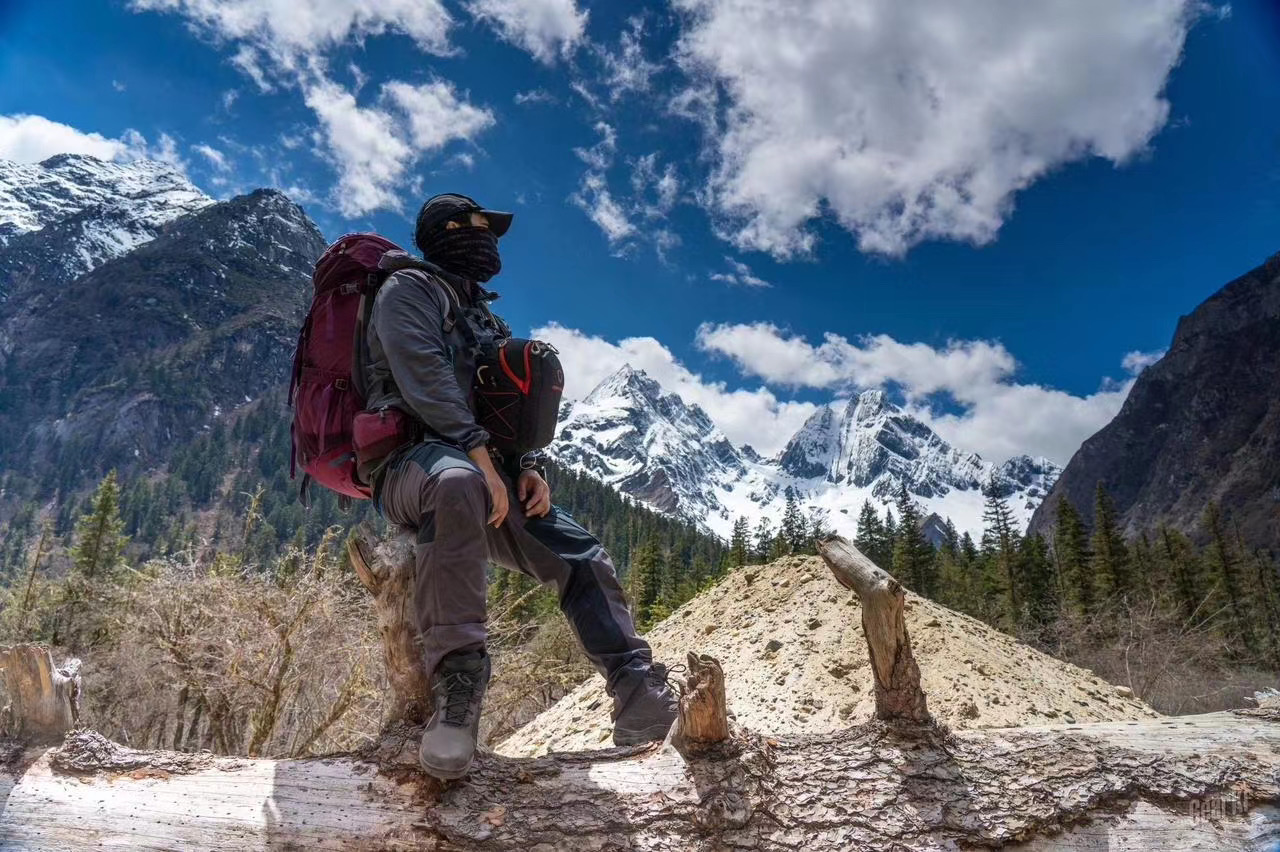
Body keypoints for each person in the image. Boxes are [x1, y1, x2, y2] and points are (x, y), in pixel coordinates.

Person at [361, 193, 677, 780]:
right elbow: (425, 380)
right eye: (482, 228)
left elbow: (496, 400)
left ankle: (638, 695)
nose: (491, 242)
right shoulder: (405, 291)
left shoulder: (479, 312)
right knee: (456, 483)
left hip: (484, 470)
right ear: (451, 230)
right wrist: (480, 458)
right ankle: (457, 697)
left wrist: (524, 463)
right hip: (410, 466)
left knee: (576, 552)